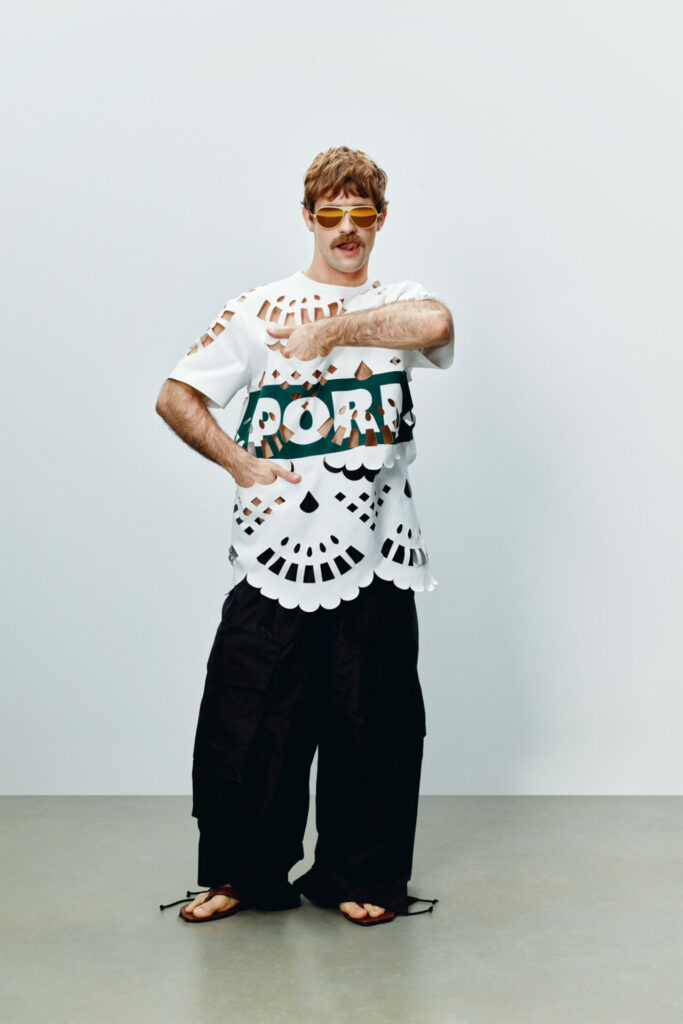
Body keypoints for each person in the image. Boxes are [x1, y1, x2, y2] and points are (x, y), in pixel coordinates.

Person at [156, 146, 454, 927]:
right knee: (247, 717)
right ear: (307, 218)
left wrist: (330, 332)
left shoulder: (398, 301)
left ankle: (360, 877)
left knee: (373, 722)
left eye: (361, 214)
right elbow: (176, 396)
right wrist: (238, 462)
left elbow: (435, 325)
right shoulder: (257, 308)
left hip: (379, 551)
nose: (346, 229)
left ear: (380, 220)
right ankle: (240, 874)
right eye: (331, 214)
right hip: (274, 550)